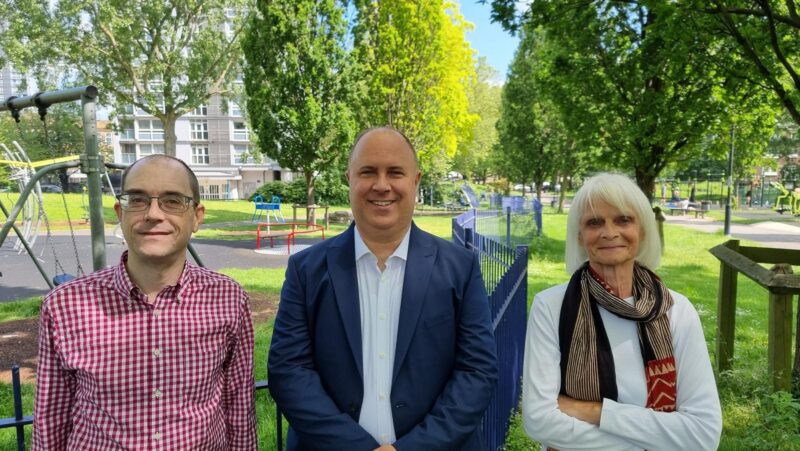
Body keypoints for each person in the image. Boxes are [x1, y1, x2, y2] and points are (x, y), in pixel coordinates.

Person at [268, 126, 498, 450]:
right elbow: (289, 371)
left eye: (395, 172)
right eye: (367, 172)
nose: (381, 185)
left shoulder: (459, 268)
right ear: (349, 178)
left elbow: (477, 372)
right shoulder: (306, 270)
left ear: (415, 180)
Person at [32, 155, 257, 450]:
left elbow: (239, 408)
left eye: (173, 201)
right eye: (137, 200)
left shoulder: (228, 299)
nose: (153, 213)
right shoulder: (66, 305)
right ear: (120, 212)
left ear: (197, 217)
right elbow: (51, 419)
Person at [521, 173, 721, 450]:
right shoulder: (551, 307)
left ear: (642, 231)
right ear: (579, 236)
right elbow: (539, 421)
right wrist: (657, 440)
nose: (609, 232)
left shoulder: (676, 310)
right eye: (594, 222)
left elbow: (703, 435)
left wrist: (595, 412)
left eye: (623, 220)